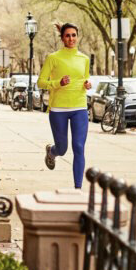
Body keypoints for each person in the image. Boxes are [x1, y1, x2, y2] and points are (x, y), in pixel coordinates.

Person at [37, 23, 92, 189]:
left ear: (77, 36)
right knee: (62, 148)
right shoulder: (53, 58)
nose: (71, 38)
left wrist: (88, 84)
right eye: (67, 35)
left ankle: (78, 188)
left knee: (79, 147)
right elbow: (41, 82)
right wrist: (58, 83)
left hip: (80, 107)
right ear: (62, 38)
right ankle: (52, 152)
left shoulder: (84, 59)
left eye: (74, 35)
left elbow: (85, 78)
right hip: (58, 109)